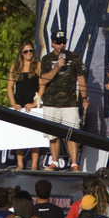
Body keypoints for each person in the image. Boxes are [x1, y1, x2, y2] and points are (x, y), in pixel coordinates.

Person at [37, 30, 86, 170]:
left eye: (63, 42)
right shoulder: (46, 59)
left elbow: (81, 78)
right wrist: (57, 67)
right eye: (58, 43)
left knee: (72, 133)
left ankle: (74, 163)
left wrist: (84, 97)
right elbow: (44, 80)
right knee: (53, 135)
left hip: (70, 103)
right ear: (52, 43)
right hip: (51, 103)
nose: (61, 45)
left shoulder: (74, 57)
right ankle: (55, 162)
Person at [6, 42, 42, 169]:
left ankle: (34, 164)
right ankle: (20, 163)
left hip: (32, 102)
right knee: (19, 133)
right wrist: (13, 103)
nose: (29, 53)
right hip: (19, 102)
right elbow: (9, 87)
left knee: (35, 133)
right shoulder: (15, 66)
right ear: (21, 53)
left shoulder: (37, 65)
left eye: (31, 51)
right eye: (26, 51)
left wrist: (35, 103)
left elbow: (42, 86)